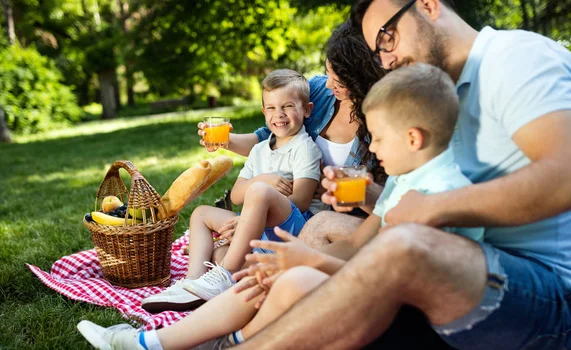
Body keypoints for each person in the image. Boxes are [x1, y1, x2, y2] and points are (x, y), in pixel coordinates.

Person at [232, 0, 571, 349]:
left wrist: (429, 209)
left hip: (548, 296)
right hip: (460, 261)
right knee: (314, 240)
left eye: (387, 37)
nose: (385, 58)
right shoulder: (433, 93)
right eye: (377, 51)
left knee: (400, 244)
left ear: (427, 5)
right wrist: (375, 197)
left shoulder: (515, 58)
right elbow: (421, 201)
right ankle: (235, 330)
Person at [75, 61, 478, 350]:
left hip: (408, 315)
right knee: (277, 273)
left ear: (413, 138)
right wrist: (302, 253)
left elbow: (383, 279)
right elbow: (364, 241)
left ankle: (197, 342)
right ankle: (153, 342)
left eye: (378, 138)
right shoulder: (406, 184)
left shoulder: (431, 199)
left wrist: (309, 260)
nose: (370, 147)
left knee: (290, 277)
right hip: (370, 281)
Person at [139, 69, 323, 313]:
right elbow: (237, 195)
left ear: (307, 110)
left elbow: (299, 201)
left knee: (258, 192)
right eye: (271, 108)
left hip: (293, 231)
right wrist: (264, 180)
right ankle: (193, 283)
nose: (279, 115)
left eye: (288, 106)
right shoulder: (259, 150)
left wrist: (259, 191)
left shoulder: (304, 149)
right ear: (263, 111)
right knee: (202, 215)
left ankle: (224, 274)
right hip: (260, 232)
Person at [200, 21, 388, 249]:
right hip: (282, 212)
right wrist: (226, 141)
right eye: (328, 71)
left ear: (361, 76)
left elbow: (385, 197)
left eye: (338, 78)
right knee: (219, 243)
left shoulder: (383, 120)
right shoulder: (319, 91)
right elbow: (269, 139)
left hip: (325, 220)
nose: (329, 83)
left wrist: (337, 188)